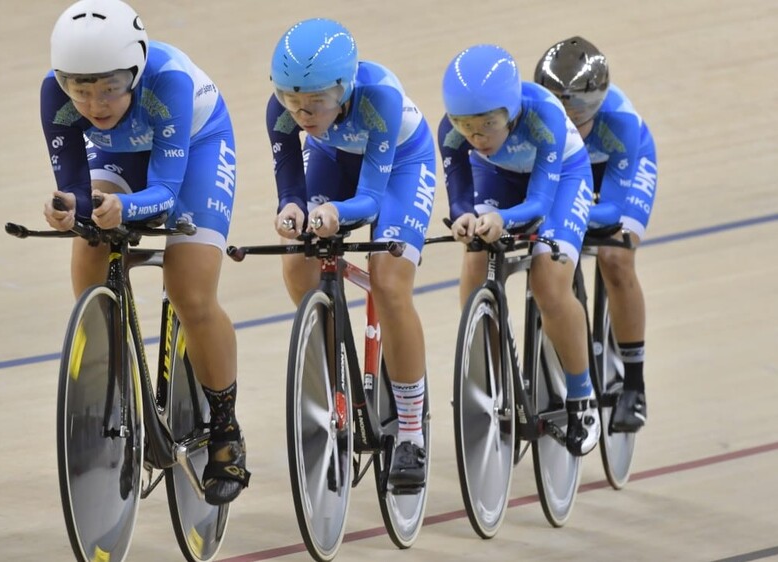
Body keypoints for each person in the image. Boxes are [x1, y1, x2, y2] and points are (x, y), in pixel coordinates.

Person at [40, 0, 248, 504]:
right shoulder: (55, 92)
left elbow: (168, 193)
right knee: (90, 249)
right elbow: (75, 187)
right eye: (80, 89)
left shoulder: (169, 82)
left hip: (194, 148)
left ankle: (226, 429)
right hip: (118, 152)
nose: (94, 102)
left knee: (189, 289)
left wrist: (124, 206)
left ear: (135, 69)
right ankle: (105, 385)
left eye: (111, 85)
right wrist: (69, 207)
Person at [266, 18, 438, 488]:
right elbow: (290, 186)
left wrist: (334, 213)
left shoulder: (379, 98)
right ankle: (332, 384)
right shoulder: (283, 109)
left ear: (344, 89)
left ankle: (409, 432)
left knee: (389, 281)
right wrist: (292, 212)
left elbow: (372, 199)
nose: (302, 113)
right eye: (291, 101)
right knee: (298, 257)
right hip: (334, 158)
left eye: (316, 102)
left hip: (399, 166)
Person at [438, 44, 600, 456]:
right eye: (465, 126)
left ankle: (582, 397)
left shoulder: (543, 118)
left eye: (488, 125)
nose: (476, 136)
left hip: (561, 180)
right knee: (476, 256)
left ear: (510, 112)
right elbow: (458, 196)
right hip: (498, 176)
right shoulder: (454, 133)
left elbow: (540, 206)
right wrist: (464, 218)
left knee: (549, 281)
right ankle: (489, 375)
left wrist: (503, 221)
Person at [534, 36, 656, 432]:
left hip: (618, 175)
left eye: (580, 106)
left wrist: (567, 213)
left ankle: (634, 385)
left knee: (615, 257)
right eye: (559, 103)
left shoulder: (621, 122)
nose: (569, 116)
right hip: (571, 173)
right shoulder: (535, 119)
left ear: (598, 101)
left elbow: (611, 210)